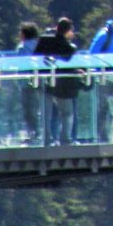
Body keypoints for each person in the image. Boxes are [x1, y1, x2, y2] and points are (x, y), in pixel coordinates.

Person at [37, 17, 81, 145]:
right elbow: (70, 63)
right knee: (67, 113)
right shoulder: (69, 47)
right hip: (62, 85)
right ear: (68, 31)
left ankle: (47, 140)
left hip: (45, 81)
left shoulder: (45, 41)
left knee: (47, 113)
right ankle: (65, 139)